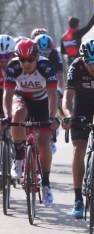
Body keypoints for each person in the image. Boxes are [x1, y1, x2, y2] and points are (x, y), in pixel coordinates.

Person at [2, 39, 59, 204]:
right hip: (23, 99)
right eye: (22, 60)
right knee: (17, 114)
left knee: (44, 141)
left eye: (30, 60)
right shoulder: (13, 67)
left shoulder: (45, 66)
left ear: (37, 56)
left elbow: (53, 95)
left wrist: (52, 116)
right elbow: (8, 95)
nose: (26, 64)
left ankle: (46, 184)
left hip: (42, 102)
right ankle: (19, 158)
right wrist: (8, 116)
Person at [62, 39, 94, 219]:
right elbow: (67, 97)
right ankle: (78, 199)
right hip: (82, 106)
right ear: (83, 59)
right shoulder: (76, 67)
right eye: (90, 61)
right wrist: (67, 115)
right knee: (79, 148)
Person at [61, 0, 94, 64]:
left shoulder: (63, 37)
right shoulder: (77, 33)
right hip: (78, 60)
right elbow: (89, 26)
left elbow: (63, 51)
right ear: (77, 25)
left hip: (70, 61)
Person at [0, 34, 16, 118]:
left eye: (7, 56)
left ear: (14, 54)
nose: (3, 59)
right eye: (0, 56)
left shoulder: (21, 63)